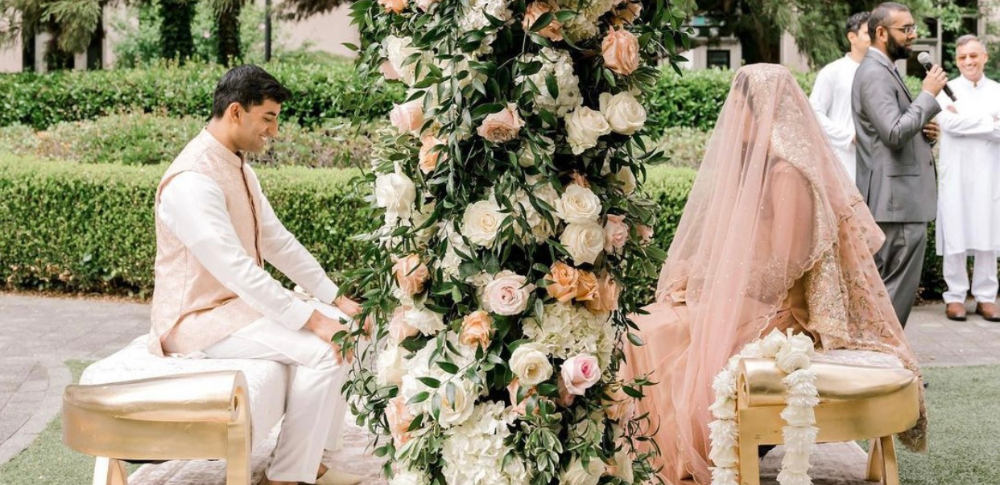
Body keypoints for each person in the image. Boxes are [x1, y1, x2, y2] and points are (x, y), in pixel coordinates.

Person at [621, 64, 926, 485]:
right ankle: (635, 452)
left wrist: (709, 287)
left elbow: (780, 272)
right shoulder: (757, 171)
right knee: (644, 325)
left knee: (657, 334)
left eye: (741, 108)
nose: (732, 117)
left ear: (766, 111)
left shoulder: (788, 176)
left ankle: (667, 454)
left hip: (779, 314)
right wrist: (699, 278)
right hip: (747, 299)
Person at [148, 65, 362, 485]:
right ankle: (286, 476)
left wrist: (335, 299)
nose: (275, 131)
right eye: (268, 118)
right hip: (196, 321)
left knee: (347, 329)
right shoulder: (192, 180)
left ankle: (308, 460)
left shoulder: (237, 165)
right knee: (326, 348)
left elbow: (277, 241)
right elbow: (238, 270)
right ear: (235, 112)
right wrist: (313, 319)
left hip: (236, 310)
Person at [852, 2, 948, 327]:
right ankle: (888, 366)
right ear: (881, 33)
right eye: (905, 29)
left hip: (898, 198)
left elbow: (895, 132)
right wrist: (927, 96)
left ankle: (887, 363)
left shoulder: (886, 69)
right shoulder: (874, 73)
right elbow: (893, 133)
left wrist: (926, 134)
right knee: (894, 291)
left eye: (912, 28)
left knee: (890, 290)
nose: (913, 35)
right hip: (896, 202)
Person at [933, 35, 1000, 322]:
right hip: (956, 171)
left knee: (988, 230)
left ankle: (986, 296)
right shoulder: (945, 90)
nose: (969, 62)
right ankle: (955, 296)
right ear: (956, 61)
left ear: (985, 57)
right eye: (962, 57)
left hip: (988, 171)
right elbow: (947, 123)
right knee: (956, 229)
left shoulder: (997, 90)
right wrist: (989, 121)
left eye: (974, 56)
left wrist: (965, 120)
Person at [810, 11, 871, 181]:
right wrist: (849, 136)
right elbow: (814, 112)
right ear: (852, 37)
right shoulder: (832, 72)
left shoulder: (885, 73)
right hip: (842, 159)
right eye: (868, 33)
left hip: (878, 161)